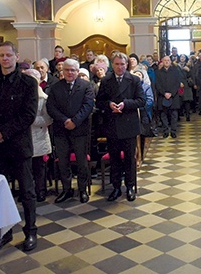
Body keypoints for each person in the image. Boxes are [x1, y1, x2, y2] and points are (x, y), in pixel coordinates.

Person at [0, 41, 39, 252]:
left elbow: (28, 115)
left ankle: (31, 232)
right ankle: (3, 233)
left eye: (8, 55)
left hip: (18, 144)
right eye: (1, 55)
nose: (5, 59)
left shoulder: (28, 83)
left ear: (16, 56)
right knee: (0, 193)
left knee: (26, 192)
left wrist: (3, 132)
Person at [95, 52, 146, 202]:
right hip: (112, 124)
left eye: (122, 64)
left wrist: (125, 104)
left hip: (128, 123)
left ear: (126, 65)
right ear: (113, 65)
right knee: (115, 159)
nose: (119, 67)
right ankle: (116, 187)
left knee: (130, 159)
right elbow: (99, 102)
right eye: (116, 64)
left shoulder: (134, 80)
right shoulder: (106, 80)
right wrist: (109, 104)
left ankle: (130, 187)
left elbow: (141, 100)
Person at [46, 58, 94, 204]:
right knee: (63, 162)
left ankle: (82, 190)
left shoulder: (86, 86)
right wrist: (65, 120)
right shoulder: (55, 87)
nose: (70, 73)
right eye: (67, 70)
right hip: (61, 129)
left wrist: (75, 121)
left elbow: (88, 106)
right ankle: (67, 190)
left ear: (77, 71)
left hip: (80, 130)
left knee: (81, 162)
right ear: (62, 71)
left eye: (73, 70)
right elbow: (51, 107)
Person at [23, 69, 53, 203]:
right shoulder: (21, 96)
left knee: (39, 168)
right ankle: (27, 192)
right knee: (25, 169)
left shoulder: (44, 98)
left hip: (39, 137)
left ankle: (41, 191)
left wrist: (31, 119)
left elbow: (48, 119)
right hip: (24, 137)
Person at [155, 56, 182, 138]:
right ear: (162, 62)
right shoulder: (158, 72)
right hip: (162, 96)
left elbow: (177, 83)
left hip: (173, 95)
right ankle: (165, 130)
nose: (166, 62)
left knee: (174, 114)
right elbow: (157, 84)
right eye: (165, 60)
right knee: (163, 114)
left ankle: (173, 131)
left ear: (171, 62)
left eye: (168, 60)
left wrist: (171, 93)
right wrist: (164, 93)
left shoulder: (175, 71)